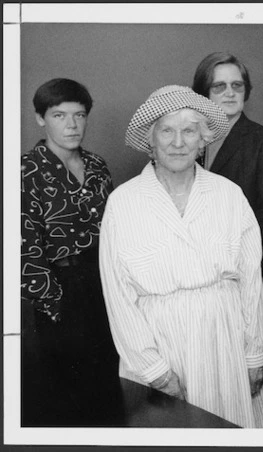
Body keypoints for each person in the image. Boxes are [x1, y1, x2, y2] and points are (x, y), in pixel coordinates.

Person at [99, 85, 263, 428]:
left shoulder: (229, 195)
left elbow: (251, 281)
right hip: (160, 348)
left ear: (202, 140)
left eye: (189, 131)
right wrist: (155, 371)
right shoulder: (123, 203)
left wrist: (255, 353)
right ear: (151, 140)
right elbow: (119, 297)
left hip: (225, 345)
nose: (178, 142)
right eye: (167, 130)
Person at [192, 52, 263, 425]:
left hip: (254, 285)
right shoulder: (191, 141)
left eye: (238, 85)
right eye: (219, 86)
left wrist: (219, 264)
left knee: (262, 388)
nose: (230, 93)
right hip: (204, 291)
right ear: (203, 93)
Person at [21, 78, 119, 426]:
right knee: (65, 391)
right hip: (58, 285)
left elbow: (115, 230)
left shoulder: (97, 166)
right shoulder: (25, 171)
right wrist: (53, 300)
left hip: (103, 280)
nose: (72, 125)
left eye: (79, 115)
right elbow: (25, 247)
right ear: (40, 119)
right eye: (60, 115)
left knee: (109, 379)